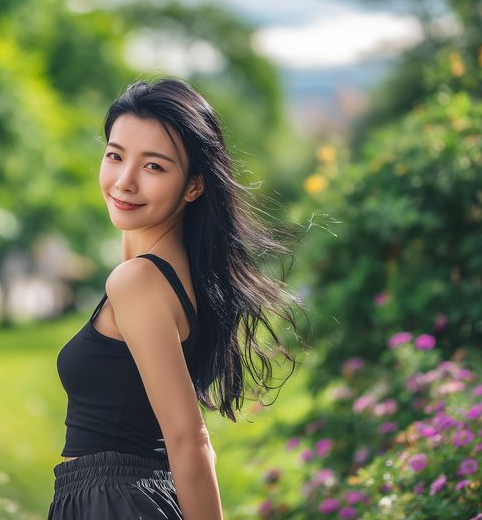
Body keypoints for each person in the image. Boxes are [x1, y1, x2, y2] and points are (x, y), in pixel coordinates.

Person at [49, 77, 305, 519]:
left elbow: (191, 441)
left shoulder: (138, 282)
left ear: (194, 186)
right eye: (115, 156)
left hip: (113, 503)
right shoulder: (181, 276)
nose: (124, 182)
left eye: (154, 167)